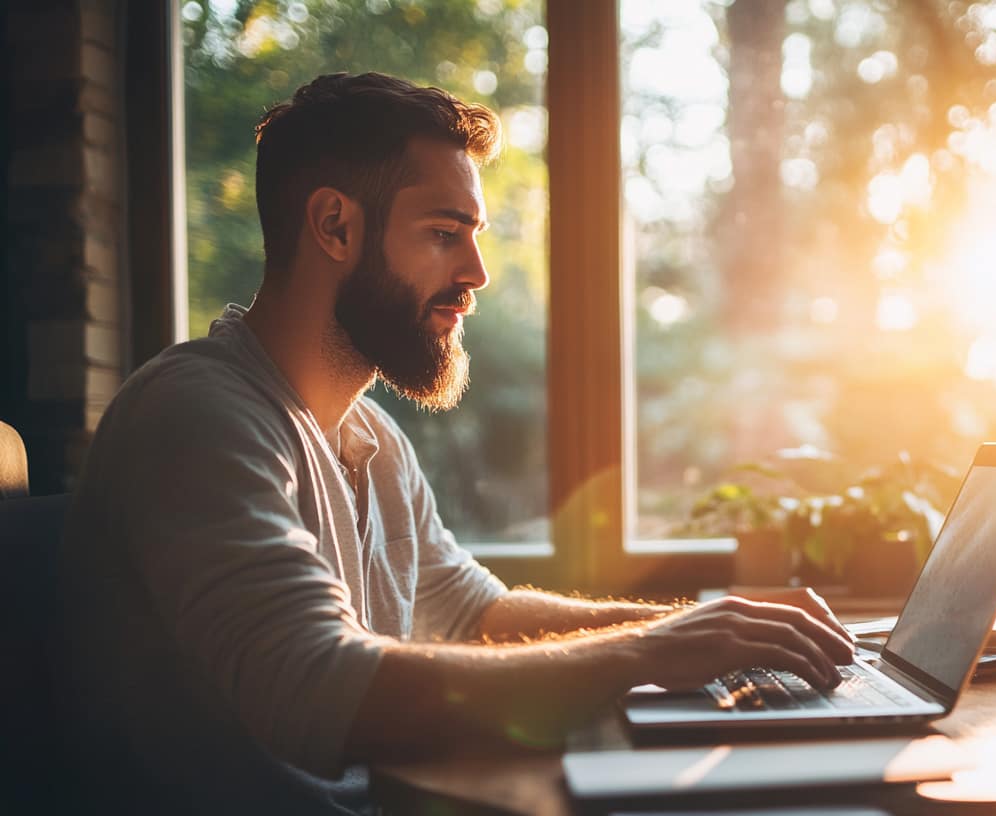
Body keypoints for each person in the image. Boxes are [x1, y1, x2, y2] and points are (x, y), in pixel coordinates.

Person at [55, 72, 852, 815]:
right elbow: (317, 688)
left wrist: (719, 632)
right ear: (335, 225)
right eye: (445, 232)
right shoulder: (195, 416)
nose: (476, 272)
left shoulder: (371, 437)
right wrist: (652, 648)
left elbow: (475, 615)